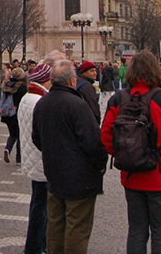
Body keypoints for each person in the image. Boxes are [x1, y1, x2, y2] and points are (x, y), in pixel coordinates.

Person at [101, 51, 161, 254]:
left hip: (132, 175)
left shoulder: (119, 99)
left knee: (136, 231)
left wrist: (124, 154)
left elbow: (106, 136)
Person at [33, 60, 108, 254]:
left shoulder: (42, 103)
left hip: (53, 172)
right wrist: (100, 165)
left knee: (55, 224)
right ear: (72, 81)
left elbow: (36, 138)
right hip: (80, 177)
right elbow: (93, 142)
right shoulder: (78, 105)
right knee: (77, 227)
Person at [17, 58, 59, 254]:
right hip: (41, 160)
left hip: (32, 157)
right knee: (42, 207)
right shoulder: (39, 101)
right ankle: (35, 246)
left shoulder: (27, 98)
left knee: (38, 203)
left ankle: (38, 244)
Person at [1, 67, 28, 164]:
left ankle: (7, 149)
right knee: (20, 135)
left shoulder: (7, 85)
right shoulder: (22, 86)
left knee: (12, 134)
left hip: (7, 113)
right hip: (17, 113)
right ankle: (19, 158)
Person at [76, 61, 101, 125]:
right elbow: (93, 106)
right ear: (84, 72)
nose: (95, 73)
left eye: (95, 71)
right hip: (87, 120)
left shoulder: (77, 81)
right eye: (92, 71)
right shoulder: (86, 86)